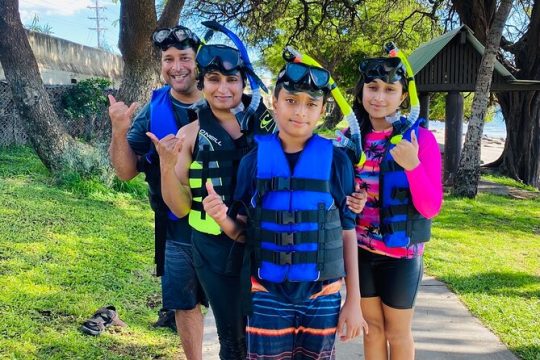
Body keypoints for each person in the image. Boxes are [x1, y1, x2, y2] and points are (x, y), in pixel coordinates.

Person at [202, 60, 369, 359]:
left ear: (321, 113)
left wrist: (353, 301)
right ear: (275, 104)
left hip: (323, 296)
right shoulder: (253, 161)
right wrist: (220, 217)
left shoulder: (337, 162)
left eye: (310, 104)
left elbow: (347, 232)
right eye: (291, 101)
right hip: (266, 295)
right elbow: (242, 232)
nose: (300, 111)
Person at [158, 43, 276, 360]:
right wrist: (167, 167)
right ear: (202, 83)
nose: (223, 88)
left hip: (267, 244)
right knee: (233, 341)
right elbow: (180, 207)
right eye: (213, 79)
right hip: (214, 249)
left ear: (243, 82)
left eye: (231, 79)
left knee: (273, 337)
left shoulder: (271, 128)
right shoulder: (190, 134)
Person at [108, 25, 208, 360]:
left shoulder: (224, 98)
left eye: (184, 57)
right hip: (176, 229)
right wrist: (120, 130)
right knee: (185, 304)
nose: (176, 66)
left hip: (224, 226)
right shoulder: (154, 110)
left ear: (199, 61)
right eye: (168, 59)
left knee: (237, 303)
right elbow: (125, 172)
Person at [351, 56, 443, 359]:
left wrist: (412, 165)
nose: (379, 97)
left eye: (390, 90)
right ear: (361, 90)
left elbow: (430, 208)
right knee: (372, 328)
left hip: (401, 255)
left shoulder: (420, 139)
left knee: (397, 333)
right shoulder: (351, 140)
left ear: (403, 97)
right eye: (373, 87)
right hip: (361, 253)